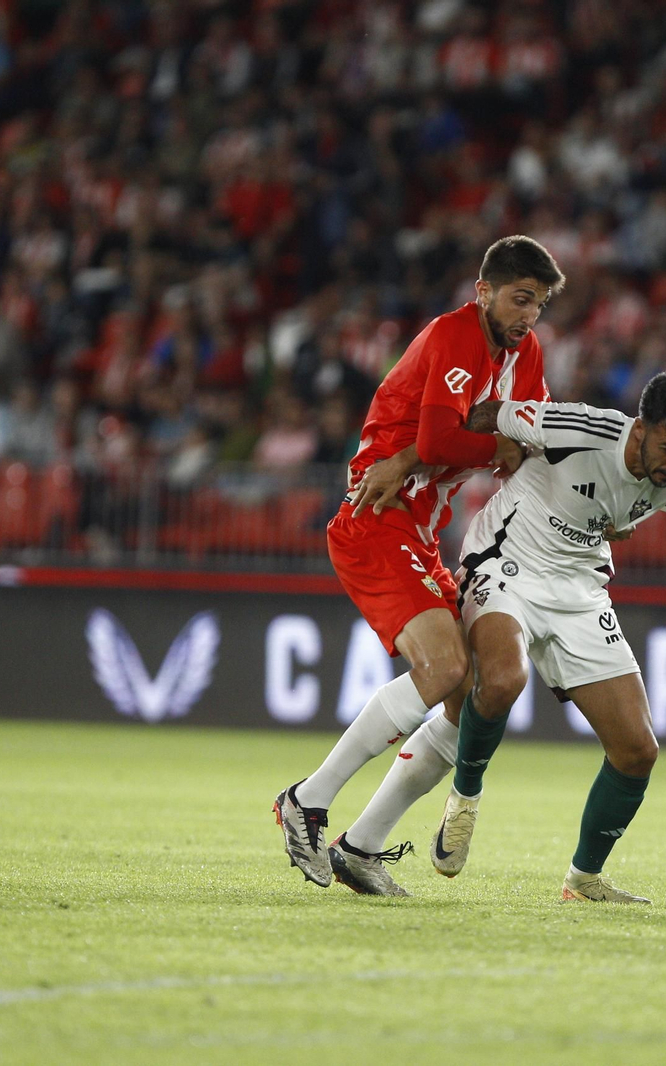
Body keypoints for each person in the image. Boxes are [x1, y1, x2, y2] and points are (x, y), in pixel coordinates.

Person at [332, 370, 666, 899]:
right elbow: (479, 416)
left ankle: (584, 879)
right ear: (639, 428)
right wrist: (431, 457)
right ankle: (465, 797)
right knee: (501, 680)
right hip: (506, 562)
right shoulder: (575, 427)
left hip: (580, 593)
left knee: (638, 750)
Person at [273, 236, 565, 890]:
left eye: (539, 304)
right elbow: (443, 438)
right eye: (520, 299)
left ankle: (362, 845)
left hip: (421, 526)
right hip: (378, 516)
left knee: (473, 697)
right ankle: (307, 801)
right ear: (483, 291)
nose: (529, 316)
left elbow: (528, 432)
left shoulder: (527, 353)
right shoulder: (456, 334)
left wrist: (485, 447)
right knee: (446, 667)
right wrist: (479, 447)